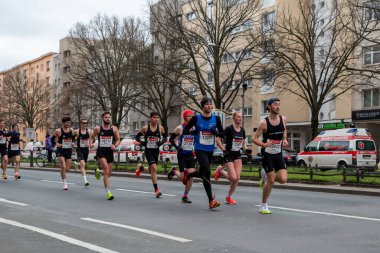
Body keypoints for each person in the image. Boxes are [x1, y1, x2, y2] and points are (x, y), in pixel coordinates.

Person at [182, 97, 224, 209]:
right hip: (199, 149)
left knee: (202, 173)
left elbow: (222, 133)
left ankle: (189, 174)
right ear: (203, 106)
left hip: (210, 149)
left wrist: (215, 132)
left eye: (211, 104)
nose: (209, 106)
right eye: (207, 104)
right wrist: (192, 131)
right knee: (207, 172)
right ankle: (211, 201)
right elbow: (185, 130)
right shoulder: (196, 118)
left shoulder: (216, 119)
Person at [252, 97, 288, 214]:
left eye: (279, 104)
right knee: (272, 180)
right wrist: (263, 144)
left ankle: (265, 177)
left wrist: (285, 138)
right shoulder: (264, 123)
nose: (278, 106)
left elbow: (284, 129)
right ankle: (263, 205)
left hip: (278, 153)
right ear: (269, 107)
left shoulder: (283, 119)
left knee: (283, 179)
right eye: (275, 104)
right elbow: (254, 138)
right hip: (267, 154)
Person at [214, 111, 252, 205]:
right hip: (228, 154)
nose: (240, 118)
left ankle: (228, 197)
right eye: (238, 117)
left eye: (241, 117)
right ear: (234, 118)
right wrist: (223, 150)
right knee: (233, 178)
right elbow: (218, 139)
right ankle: (221, 171)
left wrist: (247, 151)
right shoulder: (228, 129)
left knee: (237, 178)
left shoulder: (242, 130)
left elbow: (243, 143)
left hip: (237, 155)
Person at [135, 112, 167, 198]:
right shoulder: (145, 128)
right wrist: (142, 142)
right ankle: (156, 190)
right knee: (154, 169)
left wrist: (161, 142)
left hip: (156, 151)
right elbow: (137, 137)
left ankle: (141, 168)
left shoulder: (160, 128)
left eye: (157, 117)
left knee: (151, 170)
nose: (156, 119)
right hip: (148, 150)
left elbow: (165, 137)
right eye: (154, 117)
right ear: (150, 118)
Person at [90, 111, 120, 200]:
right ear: (102, 119)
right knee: (106, 170)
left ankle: (98, 171)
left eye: (109, 117)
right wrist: (91, 144)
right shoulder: (98, 129)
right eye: (106, 117)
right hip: (101, 152)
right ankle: (108, 192)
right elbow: (91, 137)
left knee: (108, 173)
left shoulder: (114, 129)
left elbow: (118, 140)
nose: (108, 119)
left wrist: (115, 145)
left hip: (110, 152)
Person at [167, 110, 196, 203]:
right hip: (182, 155)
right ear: (184, 117)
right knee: (184, 179)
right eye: (188, 116)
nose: (191, 118)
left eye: (192, 116)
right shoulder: (180, 128)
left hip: (190, 154)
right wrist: (177, 147)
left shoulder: (194, 128)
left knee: (191, 176)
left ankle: (185, 195)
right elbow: (171, 139)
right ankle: (174, 171)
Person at [54, 116, 75, 190]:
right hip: (61, 150)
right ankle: (65, 183)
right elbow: (52, 140)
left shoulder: (72, 130)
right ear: (63, 123)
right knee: (63, 166)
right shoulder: (58, 131)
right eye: (67, 122)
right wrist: (56, 144)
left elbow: (73, 139)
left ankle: (63, 171)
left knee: (68, 169)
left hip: (68, 150)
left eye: (69, 122)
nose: (68, 124)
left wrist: (73, 143)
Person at [74, 119, 91, 186]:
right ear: (80, 123)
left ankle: (76, 164)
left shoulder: (89, 131)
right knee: (83, 165)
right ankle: (85, 181)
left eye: (86, 123)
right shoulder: (77, 131)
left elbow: (91, 138)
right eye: (83, 123)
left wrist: (90, 144)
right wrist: (73, 142)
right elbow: (72, 137)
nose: (85, 124)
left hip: (86, 149)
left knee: (83, 164)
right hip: (79, 149)